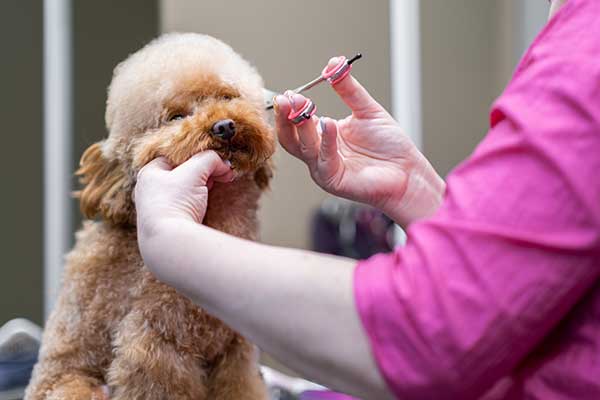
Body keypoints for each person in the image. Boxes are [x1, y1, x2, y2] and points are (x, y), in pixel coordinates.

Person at [134, 0, 600, 398]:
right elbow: (517, 301)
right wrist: (411, 188)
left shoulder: (587, 50)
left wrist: (170, 238)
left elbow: (426, 331)